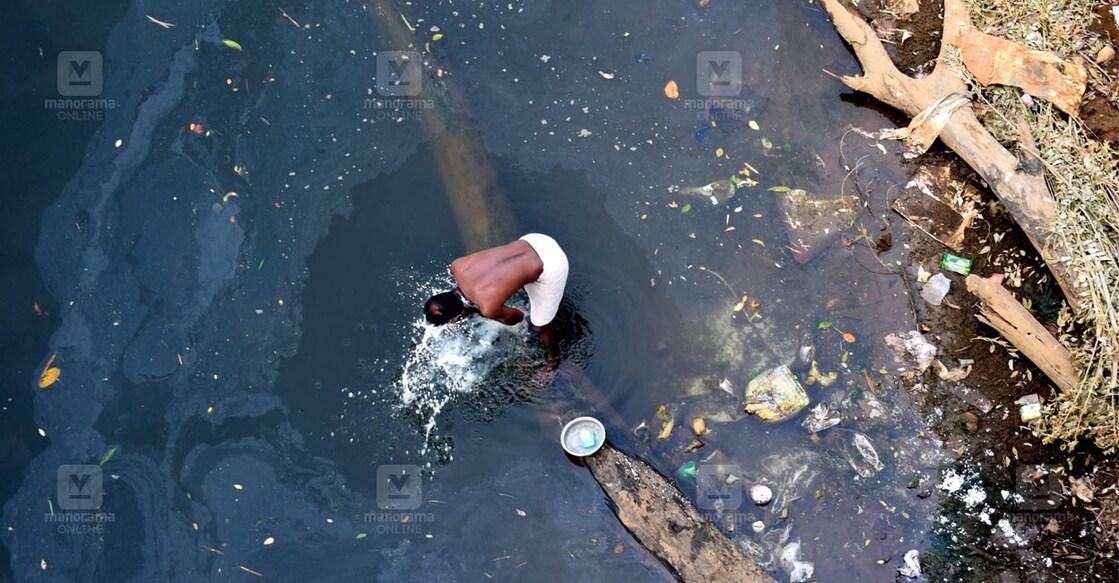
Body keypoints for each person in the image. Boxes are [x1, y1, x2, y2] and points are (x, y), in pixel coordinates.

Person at [424, 234, 568, 363]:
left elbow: (518, 317)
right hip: (535, 240)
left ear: (456, 318)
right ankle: (527, 279)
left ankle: (555, 359)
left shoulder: (487, 307)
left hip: (553, 265)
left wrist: (476, 311)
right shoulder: (457, 266)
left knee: (540, 326)